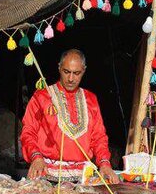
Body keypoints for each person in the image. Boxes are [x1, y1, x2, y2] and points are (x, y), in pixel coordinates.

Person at [21, 49, 120, 184]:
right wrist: (36, 157)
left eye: (76, 73)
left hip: (83, 177)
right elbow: (28, 132)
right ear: (59, 68)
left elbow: (99, 136)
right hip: (46, 175)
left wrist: (104, 163)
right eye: (66, 72)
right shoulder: (42, 97)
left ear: (84, 71)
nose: (71, 78)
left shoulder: (90, 99)